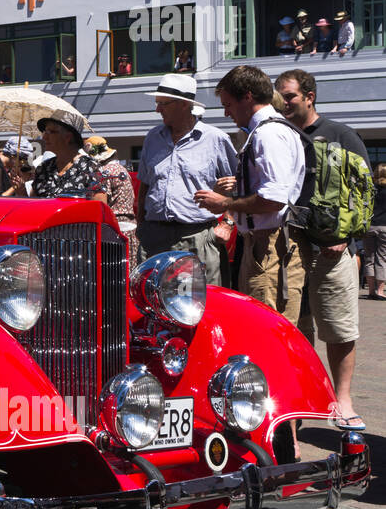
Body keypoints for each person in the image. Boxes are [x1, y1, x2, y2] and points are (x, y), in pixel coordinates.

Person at [275, 68, 368, 430]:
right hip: (291, 246)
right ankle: (301, 401)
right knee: (296, 328)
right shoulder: (280, 135)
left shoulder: (340, 134)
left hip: (333, 249)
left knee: (338, 327)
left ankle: (342, 400)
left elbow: (364, 190)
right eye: (279, 96)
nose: (283, 103)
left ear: (310, 96)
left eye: (290, 96)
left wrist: (348, 234)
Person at [194, 66, 306, 332]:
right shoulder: (268, 131)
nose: (226, 113)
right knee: (261, 327)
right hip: (263, 245)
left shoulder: (268, 133)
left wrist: (224, 203)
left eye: (228, 104)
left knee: (266, 331)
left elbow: (274, 199)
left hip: (269, 246)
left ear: (247, 97)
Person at [135, 73, 239, 285]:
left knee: (201, 304)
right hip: (154, 238)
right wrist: (142, 226)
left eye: (163, 103)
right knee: (151, 302)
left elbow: (239, 185)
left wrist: (227, 224)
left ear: (184, 104)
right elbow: (145, 185)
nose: (157, 109)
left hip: (197, 237)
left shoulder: (215, 139)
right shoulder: (153, 138)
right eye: (157, 103)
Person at [31, 112, 106, 203]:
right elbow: (33, 204)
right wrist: (21, 190)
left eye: (50, 132)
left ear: (68, 137)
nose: (44, 137)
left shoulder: (90, 168)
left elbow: (99, 210)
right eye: (45, 132)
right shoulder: (43, 168)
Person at [87, 136, 138, 254]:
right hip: (131, 228)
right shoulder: (122, 170)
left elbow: (100, 205)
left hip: (115, 230)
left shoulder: (104, 173)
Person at [364, 164, 386, 301]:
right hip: (385, 227)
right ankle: (380, 290)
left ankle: (371, 290)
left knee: (369, 258)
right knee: (382, 258)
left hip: (370, 226)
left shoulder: (370, 189)